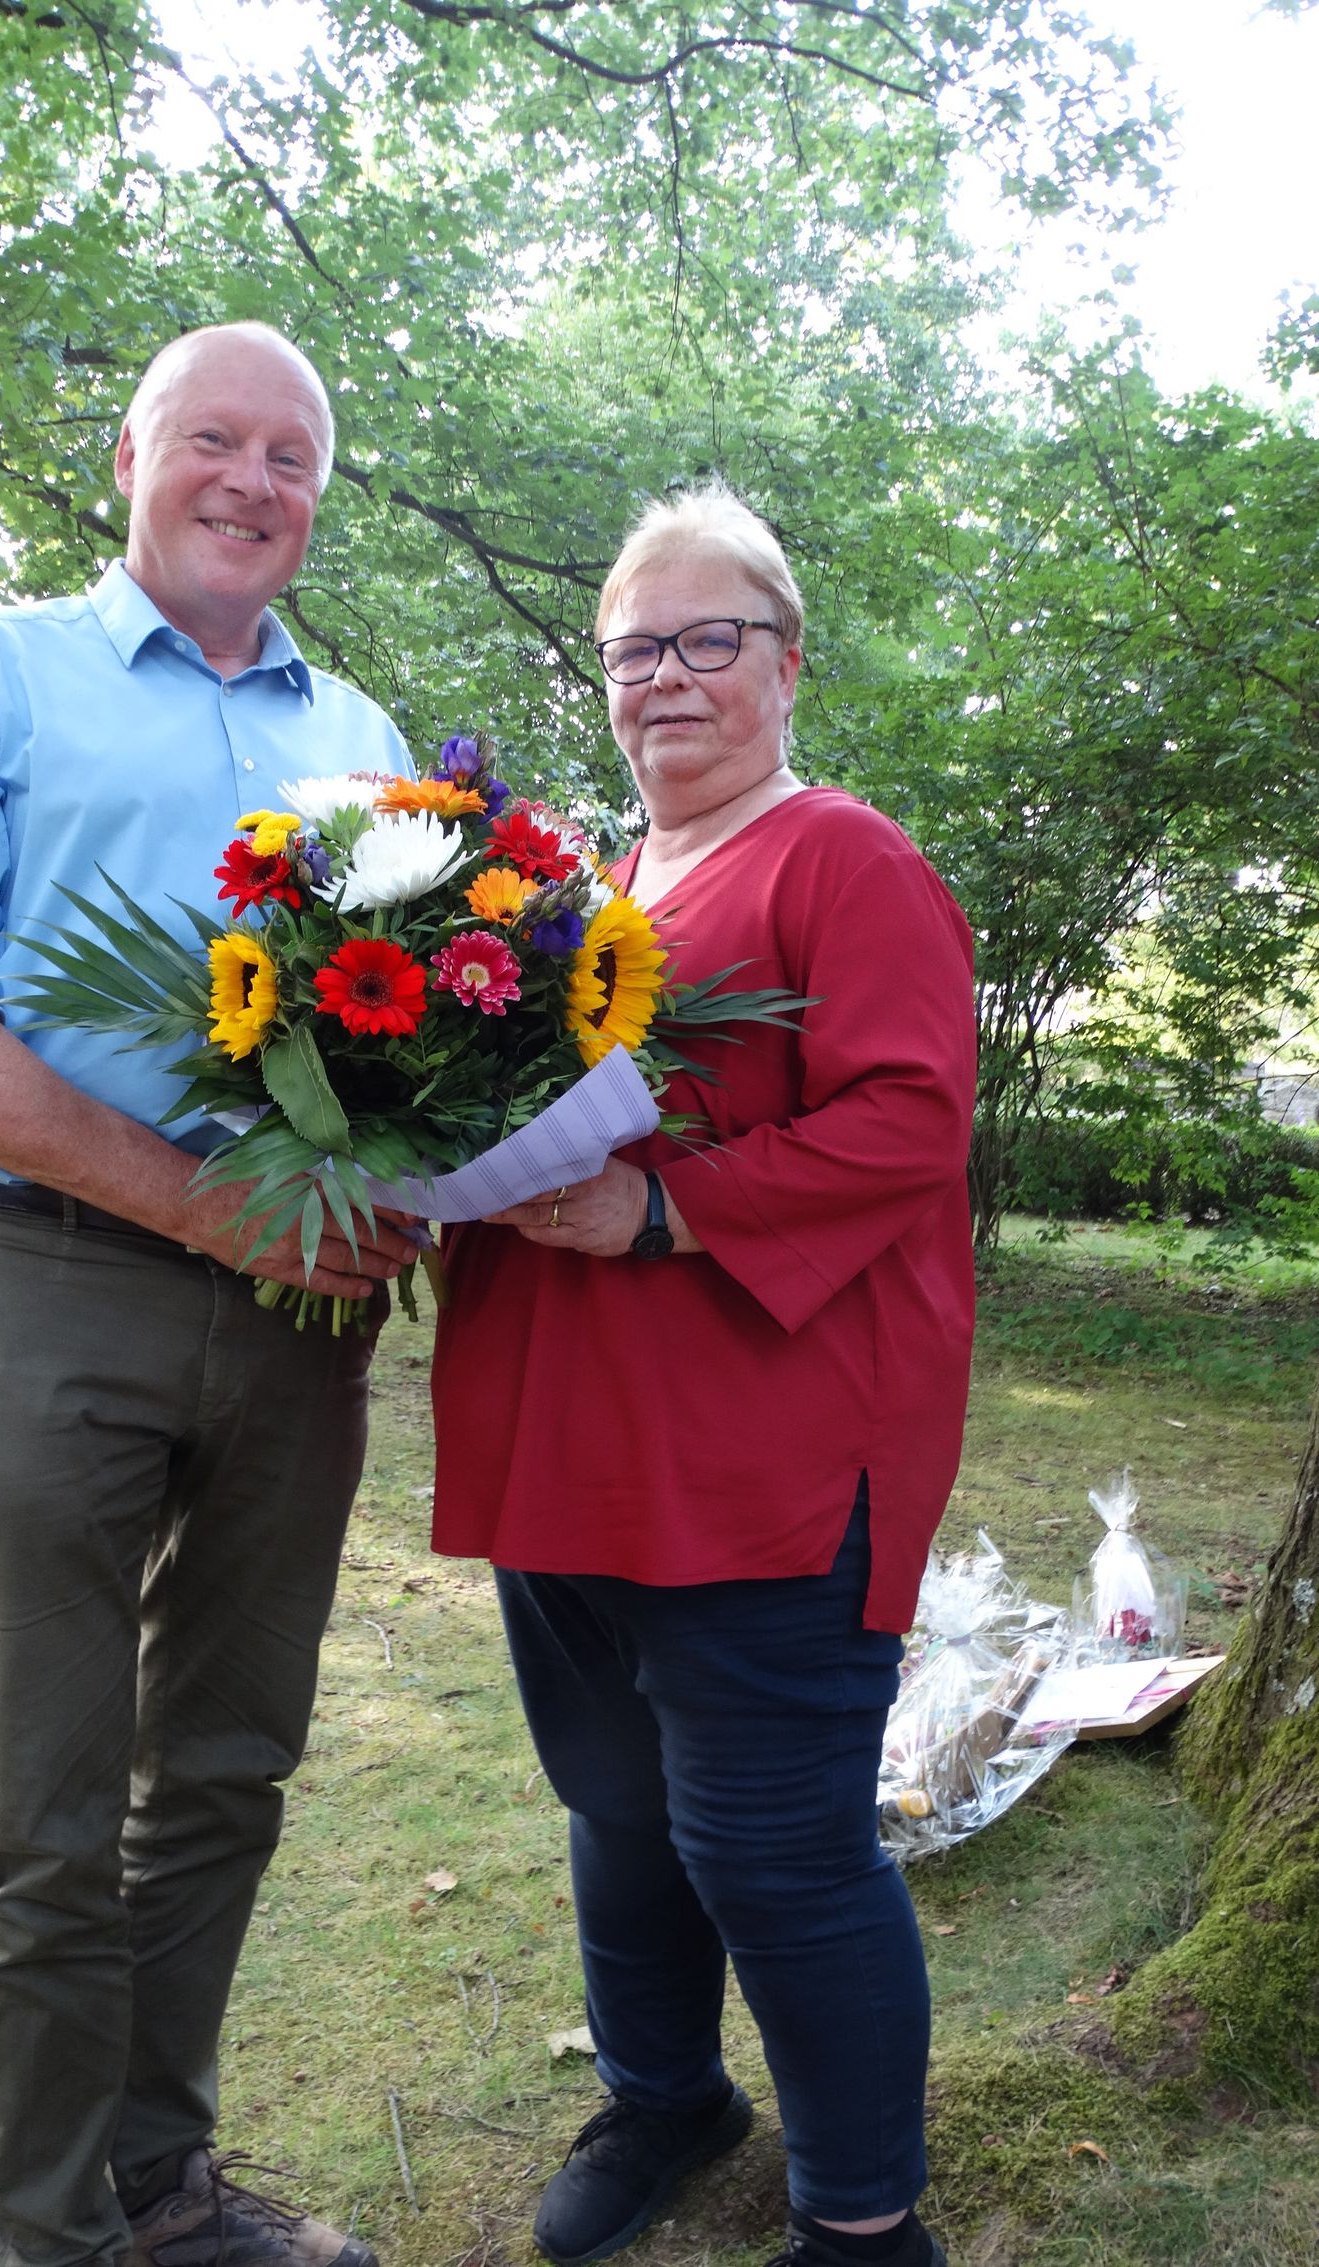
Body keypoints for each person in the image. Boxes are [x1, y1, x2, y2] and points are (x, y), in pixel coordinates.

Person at [0, 322, 419, 2267]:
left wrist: (413, 1179)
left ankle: (158, 2190)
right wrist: (207, 1208)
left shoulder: (371, 744)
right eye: (214, 442)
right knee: (52, 1824)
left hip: (301, 1335)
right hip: (48, 1298)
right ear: (134, 460)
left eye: (294, 458)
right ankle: (49, 2237)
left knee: (228, 1776)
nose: (254, 482)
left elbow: (408, 1041)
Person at [430, 483, 977, 2267]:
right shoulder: (577, 892)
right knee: (617, 1813)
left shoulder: (842, 858)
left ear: (784, 661)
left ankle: (863, 2223)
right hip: (569, 1448)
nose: (665, 676)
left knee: (777, 1854)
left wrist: (667, 1210)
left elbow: (909, 1126)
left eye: (706, 640)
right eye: (632, 648)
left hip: (770, 1458)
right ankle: (669, 2099)